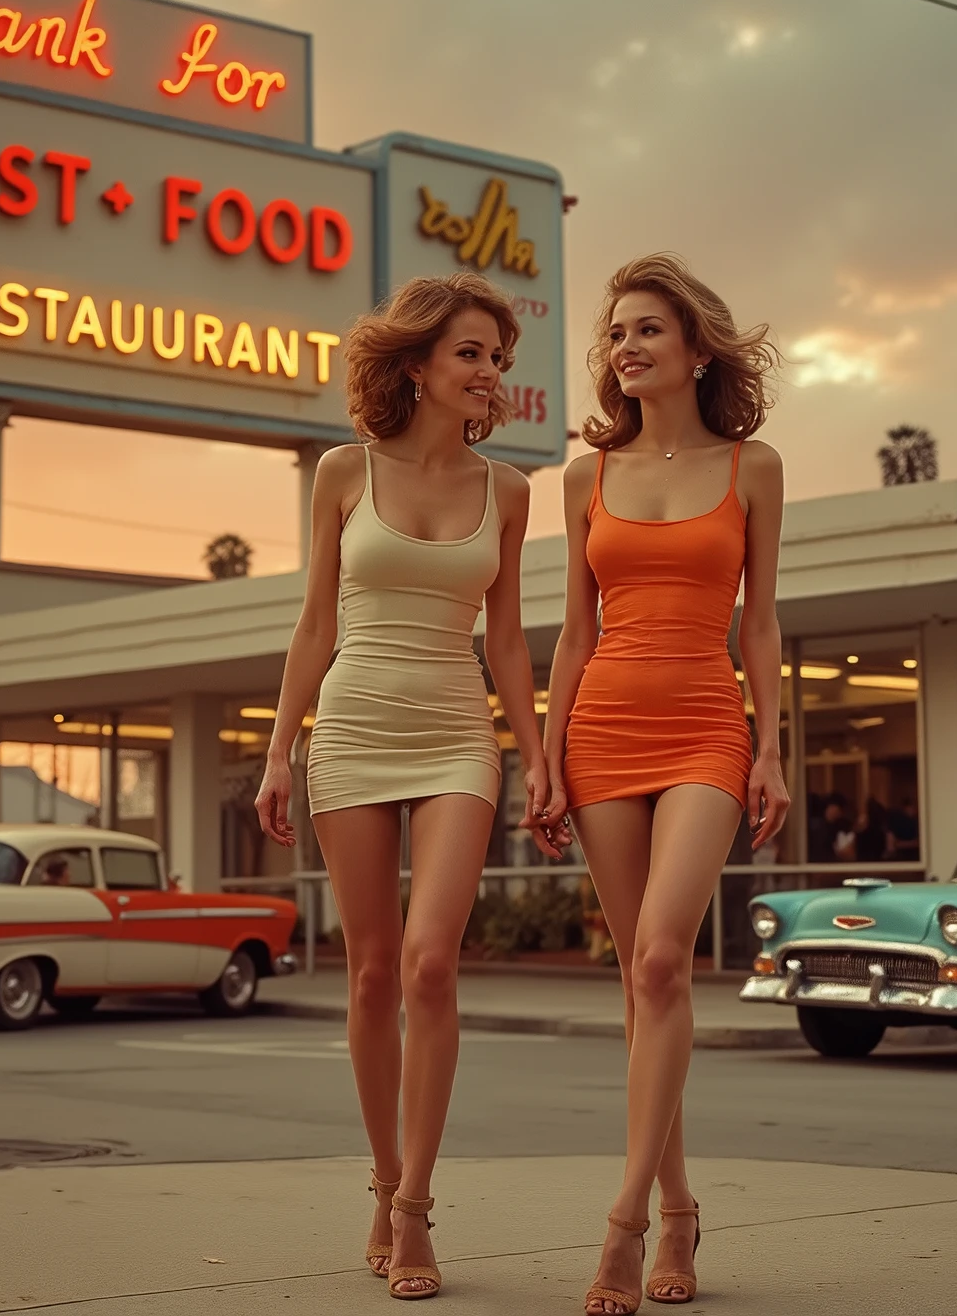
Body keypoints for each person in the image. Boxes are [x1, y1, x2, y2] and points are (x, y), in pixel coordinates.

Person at [253, 273, 558, 1302]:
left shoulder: (509, 491)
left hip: (452, 733)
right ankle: (380, 1178)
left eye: (497, 358)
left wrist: (537, 753)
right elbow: (313, 623)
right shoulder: (345, 470)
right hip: (351, 725)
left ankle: (418, 1201)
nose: (489, 374)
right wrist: (274, 750)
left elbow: (509, 638)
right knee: (373, 969)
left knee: (431, 961)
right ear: (418, 363)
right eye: (471, 353)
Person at [541, 253, 788, 1314]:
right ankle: (679, 1208)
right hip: (600, 727)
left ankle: (625, 1221)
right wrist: (543, 760)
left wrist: (771, 745)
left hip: (702, 727)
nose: (623, 347)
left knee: (659, 956)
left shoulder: (752, 466)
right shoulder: (582, 475)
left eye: (645, 329)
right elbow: (571, 629)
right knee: (645, 988)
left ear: (694, 348)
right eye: (614, 334)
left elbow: (763, 620)